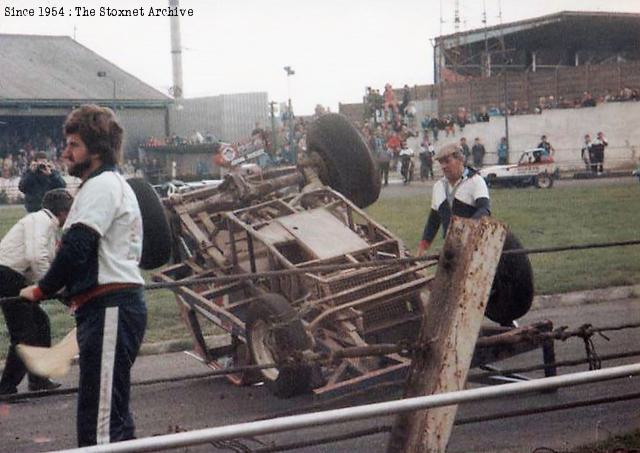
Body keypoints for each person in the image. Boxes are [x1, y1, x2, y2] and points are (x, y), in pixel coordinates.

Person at [20, 105, 147, 447]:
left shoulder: (101, 186)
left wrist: (42, 289)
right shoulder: (105, 185)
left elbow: (77, 247)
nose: (66, 152)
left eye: (74, 144)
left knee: (100, 423)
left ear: (97, 149)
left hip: (112, 307)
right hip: (108, 307)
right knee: (110, 413)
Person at [0, 189, 73, 395]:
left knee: (40, 324)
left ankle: (38, 379)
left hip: (15, 277)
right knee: (25, 334)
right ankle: (6, 387)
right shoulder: (40, 221)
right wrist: (51, 286)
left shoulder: (46, 224)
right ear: (63, 212)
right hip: (7, 276)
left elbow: (42, 260)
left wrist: (54, 286)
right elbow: (36, 257)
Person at [417, 144, 490, 255]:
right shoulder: (438, 186)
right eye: (441, 162)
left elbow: (484, 210)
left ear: (460, 160)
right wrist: (423, 247)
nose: (443, 166)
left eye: (447, 161)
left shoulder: (476, 181)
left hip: (475, 245)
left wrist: (465, 230)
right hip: (450, 248)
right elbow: (434, 220)